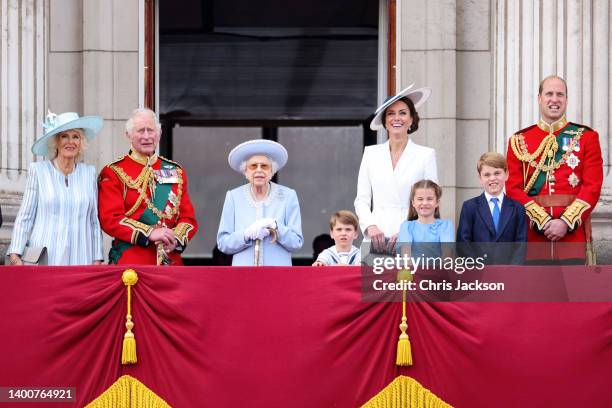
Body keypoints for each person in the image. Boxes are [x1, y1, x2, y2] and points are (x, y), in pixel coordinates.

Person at [506, 75, 603, 263]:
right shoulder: (520, 141)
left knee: (576, 293)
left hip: (572, 242)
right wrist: (543, 222)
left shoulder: (586, 137)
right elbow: (513, 188)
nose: (554, 99)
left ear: (566, 99)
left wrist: (565, 222)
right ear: (539, 98)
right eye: (549, 94)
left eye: (560, 94)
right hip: (533, 242)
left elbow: (592, 187)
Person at [98, 108, 198, 265]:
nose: (146, 136)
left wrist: (175, 239)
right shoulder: (114, 172)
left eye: (150, 130)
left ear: (159, 134)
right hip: (131, 262)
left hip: (170, 262)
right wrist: (150, 233)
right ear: (128, 135)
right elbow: (110, 219)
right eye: (140, 131)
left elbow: (188, 218)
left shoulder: (175, 171)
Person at [7, 111, 104, 265]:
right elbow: (26, 216)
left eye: (76, 136)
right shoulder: (38, 171)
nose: (70, 142)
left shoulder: (89, 173)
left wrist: (97, 258)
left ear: (81, 142)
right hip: (45, 258)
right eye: (64, 136)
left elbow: (93, 220)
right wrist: (15, 254)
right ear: (56, 141)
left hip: (81, 258)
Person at [355, 84, 438, 254]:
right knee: (374, 281)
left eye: (402, 113)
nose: (396, 118)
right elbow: (362, 200)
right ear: (384, 121)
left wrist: (410, 231)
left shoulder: (426, 155)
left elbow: (431, 201)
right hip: (375, 239)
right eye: (391, 113)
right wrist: (370, 226)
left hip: (412, 238)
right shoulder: (371, 153)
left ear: (412, 119)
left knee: (409, 280)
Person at [217, 139, 303, 266]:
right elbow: (223, 243)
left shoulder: (288, 196)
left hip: (279, 275)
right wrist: (245, 234)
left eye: (264, 166)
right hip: (244, 275)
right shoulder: (233, 197)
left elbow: (296, 242)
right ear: (245, 171)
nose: (259, 170)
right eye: (253, 166)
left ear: (271, 171)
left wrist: (275, 226)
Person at [397, 180, 454, 259]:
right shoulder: (406, 226)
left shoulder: (446, 226)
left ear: (437, 202)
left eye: (429, 199)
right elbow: (406, 257)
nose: (424, 203)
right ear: (413, 203)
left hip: (438, 270)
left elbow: (447, 256)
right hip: (412, 270)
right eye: (420, 199)